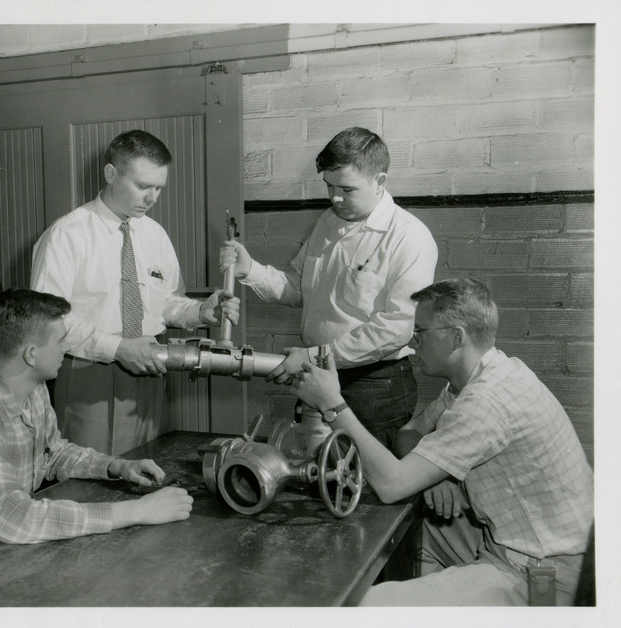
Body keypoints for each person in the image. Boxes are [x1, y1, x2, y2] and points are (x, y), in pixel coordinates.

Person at [289, 278, 593, 606]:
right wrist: (438, 473)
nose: (411, 342)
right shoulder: (481, 376)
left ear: (456, 337)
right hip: (518, 541)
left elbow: (392, 484)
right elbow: (410, 431)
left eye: (420, 332)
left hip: (540, 572)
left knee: (370, 605)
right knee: (418, 527)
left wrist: (332, 404)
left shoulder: (486, 401)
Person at [0, 288, 193, 549]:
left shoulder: (33, 386)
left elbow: (53, 454)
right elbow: (8, 516)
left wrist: (116, 466)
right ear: (31, 354)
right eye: (61, 339)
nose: (67, 346)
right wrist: (136, 512)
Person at [220, 127, 437, 448]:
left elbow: (397, 329)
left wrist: (317, 355)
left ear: (380, 182)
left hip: (373, 385)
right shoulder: (328, 221)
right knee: (312, 471)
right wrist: (249, 269)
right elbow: (298, 288)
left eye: (347, 189)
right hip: (316, 371)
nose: (335, 197)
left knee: (368, 486)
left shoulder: (409, 237)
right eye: (329, 186)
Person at [31, 130, 239, 455]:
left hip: (150, 370)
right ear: (111, 174)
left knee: (144, 468)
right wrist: (118, 348)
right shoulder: (66, 235)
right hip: (90, 371)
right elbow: (47, 321)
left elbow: (166, 301)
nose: (152, 198)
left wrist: (199, 312)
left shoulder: (155, 234)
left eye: (158, 188)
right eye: (143, 186)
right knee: (89, 482)